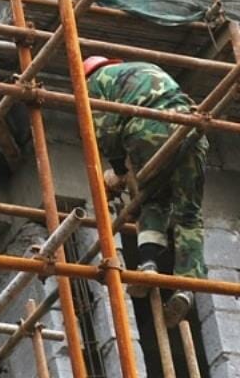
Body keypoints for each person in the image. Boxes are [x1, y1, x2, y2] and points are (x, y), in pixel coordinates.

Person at [84, 56, 208, 328]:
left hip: (147, 131)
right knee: (189, 213)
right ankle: (187, 287)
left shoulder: (95, 82)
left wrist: (118, 170)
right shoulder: (145, 68)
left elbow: (107, 129)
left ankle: (148, 264)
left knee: (153, 201)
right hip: (189, 127)